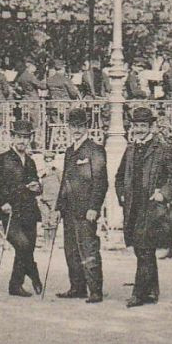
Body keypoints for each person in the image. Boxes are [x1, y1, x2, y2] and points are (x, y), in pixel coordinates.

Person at [116, 105, 172, 307]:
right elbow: (119, 177)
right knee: (142, 250)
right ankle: (152, 291)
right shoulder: (129, 150)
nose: (139, 129)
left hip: (152, 208)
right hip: (133, 207)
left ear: (151, 126)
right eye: (136, 125)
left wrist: (163, 193)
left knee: (144, 249)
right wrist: (122, 194)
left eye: (143, 125)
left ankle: (139, 294)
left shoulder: (162, 149)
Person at [53, 105, 107, 303]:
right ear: (68, 127)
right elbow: (65, 181)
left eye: (80, 126)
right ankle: (77, 287)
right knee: (71, 250)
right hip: (69, 210)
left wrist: (94, 207)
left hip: (86, 211)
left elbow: (101, 182)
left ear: (87, 127)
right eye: (73, 125)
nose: (76, 129)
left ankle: (95, 290)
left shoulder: (95, 150)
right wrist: (59, 207)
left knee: (88, 249)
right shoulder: (69, 151)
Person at [0, 117, 44, 296]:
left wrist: (37, 187)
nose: (22, 140)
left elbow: (36, 183)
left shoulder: (30, 161)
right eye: (19, 136)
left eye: (26, 137)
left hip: (29, 211)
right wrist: (1, 204)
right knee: (22, 245)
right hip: (10, 212)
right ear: (12, 137)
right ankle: (34, 274)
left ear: (30, 139)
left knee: (27, 247)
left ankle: (15, 285)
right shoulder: (1, 160)